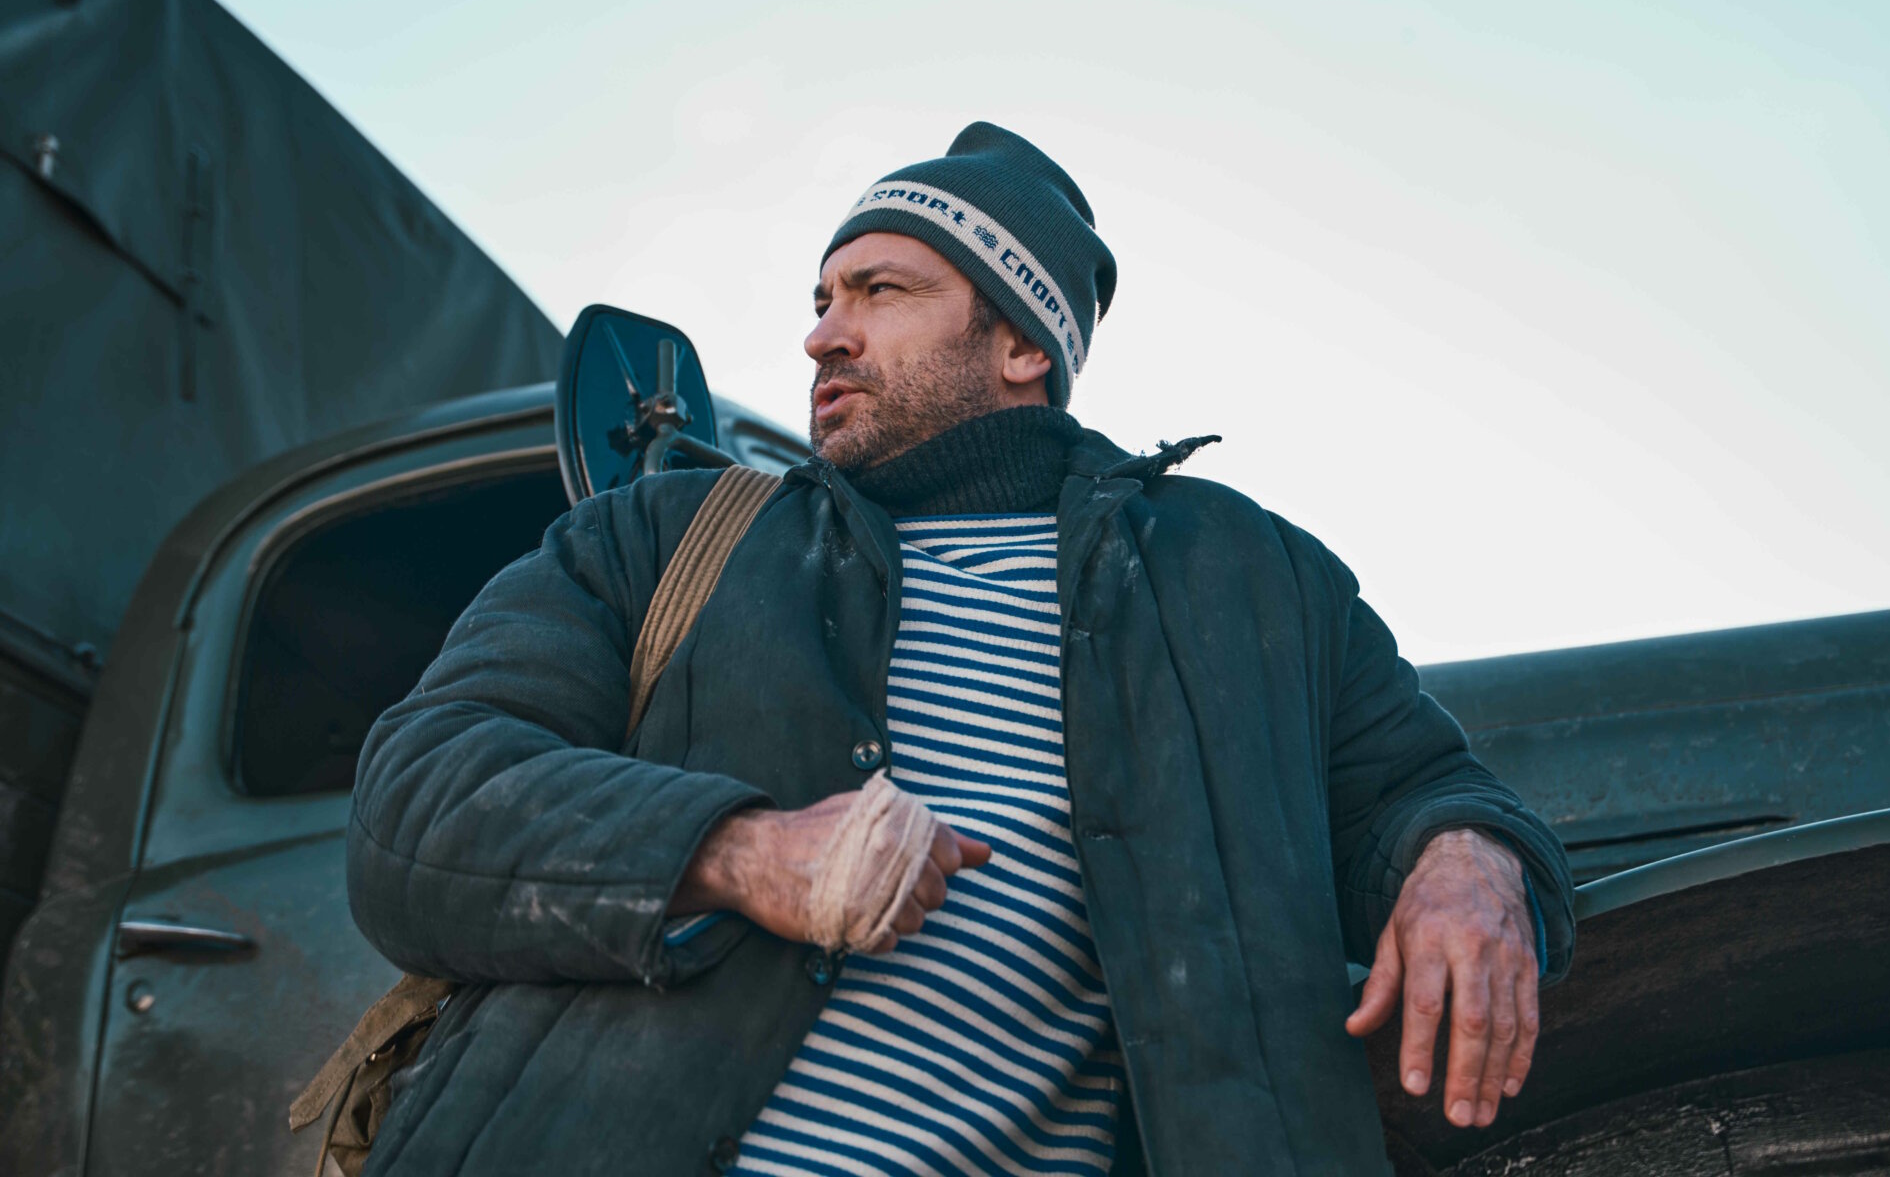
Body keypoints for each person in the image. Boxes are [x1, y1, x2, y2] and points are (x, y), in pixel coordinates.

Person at [347, 122, 1574, 1177]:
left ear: (1023, 344)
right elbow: (417, 798)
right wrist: (742, 850)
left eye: (879, 292)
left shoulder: (1252, 582)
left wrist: (1465, 860)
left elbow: (1426, 790)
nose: (825, 336)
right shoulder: (666, 535)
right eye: (821, 301)